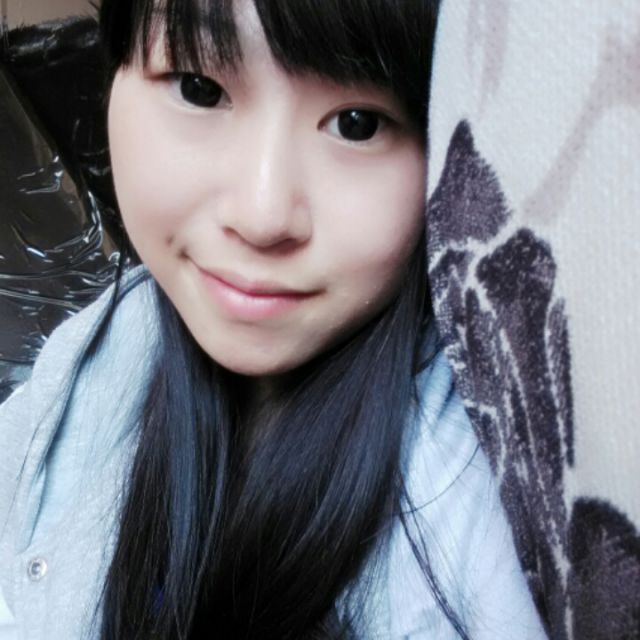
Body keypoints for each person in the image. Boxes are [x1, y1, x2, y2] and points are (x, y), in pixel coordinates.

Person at [0, 0, 547, 638]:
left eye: (358, 125)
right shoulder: (100, 346)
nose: (261, 216)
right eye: (200, 89)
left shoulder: (478, 519)